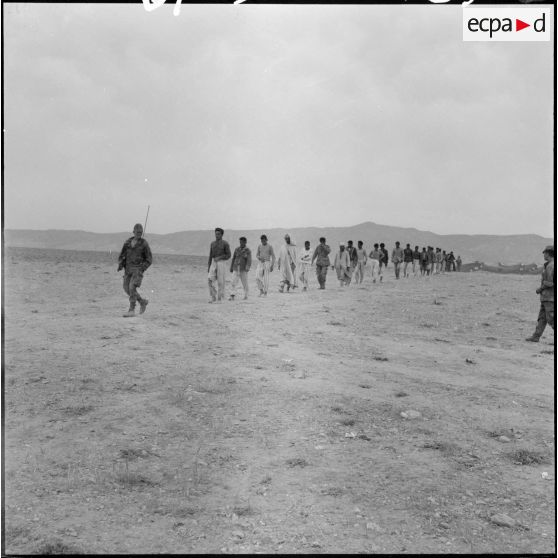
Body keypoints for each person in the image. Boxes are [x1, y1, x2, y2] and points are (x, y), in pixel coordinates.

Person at [118, 223, 152, 317]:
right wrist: (120, 264)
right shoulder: (127, 242)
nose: (139, 234)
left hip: (138, 270)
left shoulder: (144, 243)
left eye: (141, 232)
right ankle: (142, 302)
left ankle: (131, 310)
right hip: (128, 269)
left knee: (132, 287)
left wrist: (142, 268)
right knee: (126, 288)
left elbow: (149, 259)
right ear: (133, 232)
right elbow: (122, 255)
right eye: (137, 232)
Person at [526, 245, 555, 342]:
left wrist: (540, 289)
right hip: (546, 297)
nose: (544, 254)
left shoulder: (551, 266)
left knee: (551, 319)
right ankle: (536, 336)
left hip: (550, 298)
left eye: (545, 253)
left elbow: (550, 282)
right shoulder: (549, 265)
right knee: (542, 318)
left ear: (549, 253)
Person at [207, 227, 231, 303]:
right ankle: (213, 297)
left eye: (218, 234)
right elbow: (210, 255)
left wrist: (220, 257)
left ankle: (219, 298)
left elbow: (229, 255)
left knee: (221, 281)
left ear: (221, 235)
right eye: (216, 234)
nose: (216, 235)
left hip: (222, 263)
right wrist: (209, 266)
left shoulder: (225, 243)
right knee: (210, 279)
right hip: (213, 262)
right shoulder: (212, 243)